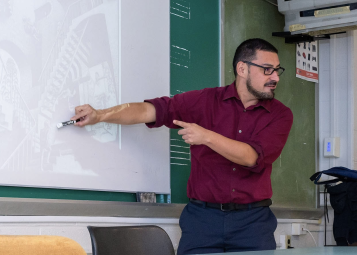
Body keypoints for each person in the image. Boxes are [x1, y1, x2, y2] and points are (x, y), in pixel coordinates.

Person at [72, 38, 293, 254]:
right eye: (267, 69)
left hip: (252, 223)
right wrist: (100, 115)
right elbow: (151, 110)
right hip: (202, 221)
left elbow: (251, 157)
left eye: (277, 70)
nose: (275, 77)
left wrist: (206, 136)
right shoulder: (205, 101)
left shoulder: (281, 115)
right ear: (242, 68)